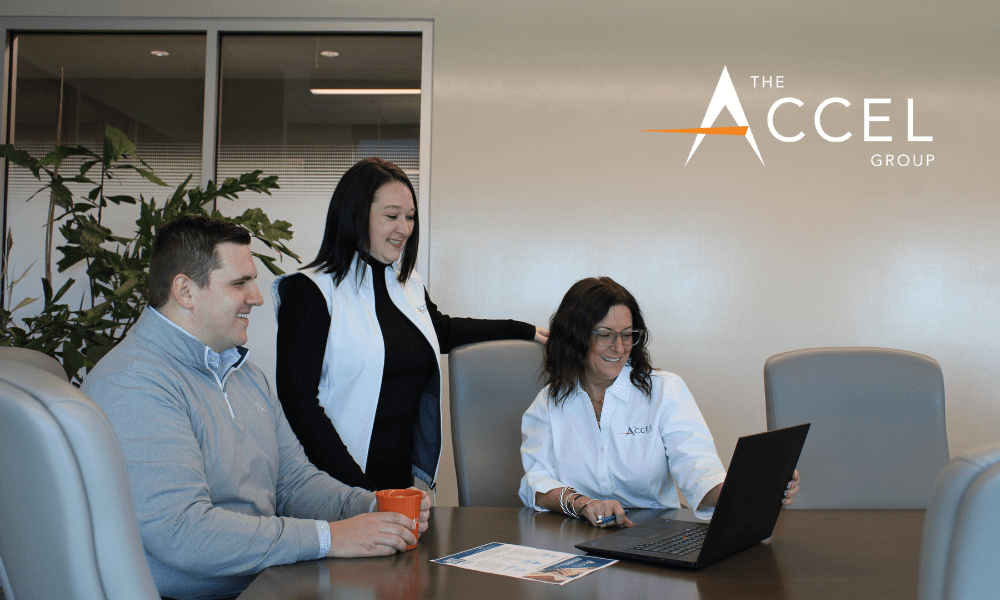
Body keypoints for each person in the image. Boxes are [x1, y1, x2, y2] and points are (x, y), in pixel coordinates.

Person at [82, 216, 430, 600]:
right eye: (239, 283)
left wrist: (372, 505)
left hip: (266, 582)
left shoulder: (245, 375)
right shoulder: (135, 382)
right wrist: (328, 537)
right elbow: (184, 533)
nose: (257, 296)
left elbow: (293, 483)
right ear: (185, 290)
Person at [272, 157, 547, 491]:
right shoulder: (311, 290)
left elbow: (440, 331)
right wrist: (361, 491)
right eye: (391, 216)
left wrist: (523, 330)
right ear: (355, 215)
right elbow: (298, 400)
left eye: (410, 217)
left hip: (399, 488)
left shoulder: (405, 283)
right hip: (335, 489)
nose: (404, 228)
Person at [518, 276, 799, 527]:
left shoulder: (666, 390)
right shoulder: (547, 404)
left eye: (627, 335)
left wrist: (752, 487)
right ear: (574, 338)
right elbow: (536, 484)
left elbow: (697, 468)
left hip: (653, 534)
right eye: (605, 335)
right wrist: (585, 504)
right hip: (575, 538)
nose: (619, 348)